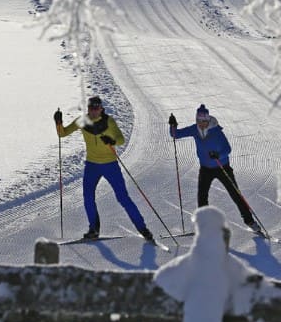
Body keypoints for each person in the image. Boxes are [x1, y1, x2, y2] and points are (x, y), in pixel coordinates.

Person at [53, 96, 154, 242]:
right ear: (88, 109)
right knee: (88, 197)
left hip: (110, 164)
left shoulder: (108, 121)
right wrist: (58, 122)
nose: (94, 112)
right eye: (91, 108)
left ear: (101, 109)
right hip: (92, 165)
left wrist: (112, 140)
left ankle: (143, 229)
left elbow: (121, 140)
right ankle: (94, 229)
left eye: (96, 108)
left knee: (122, 197)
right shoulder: (82, 121)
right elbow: (62, 134)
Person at [168, 104, 261, 232]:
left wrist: (218, 155)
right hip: (205, 168)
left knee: (235, 194)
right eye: (199, 121)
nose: (202, 124)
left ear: (208, 120)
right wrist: (173, 125)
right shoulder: (194, 129)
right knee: (202, 196)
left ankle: (249, 221)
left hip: (222, 167)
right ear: (197, 120)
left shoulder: (216, 131)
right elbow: (175, 135)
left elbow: (228, 149)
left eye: (204, 121)